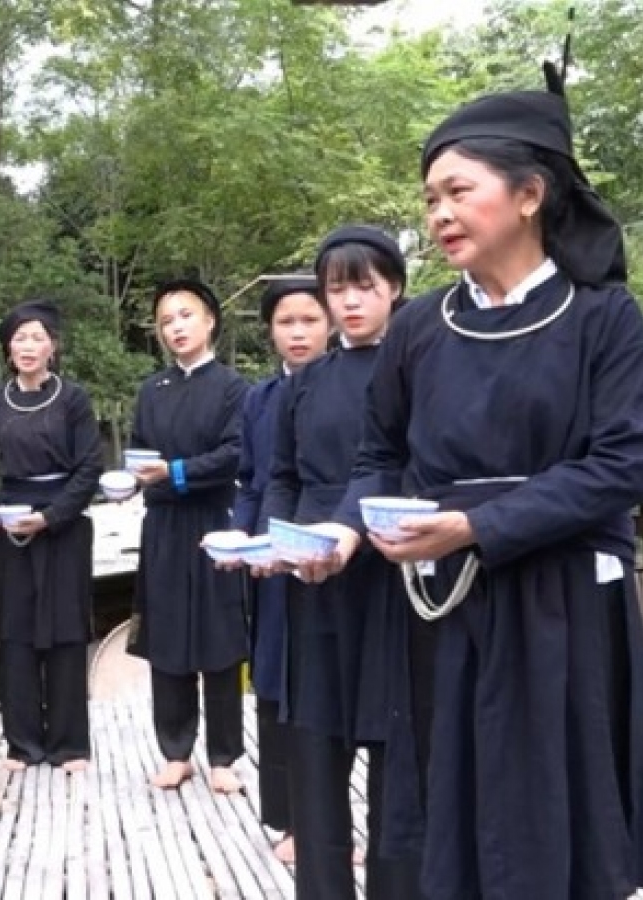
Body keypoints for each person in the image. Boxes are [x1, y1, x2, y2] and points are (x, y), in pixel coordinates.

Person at [304, 71, 643, 899]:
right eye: (430, 196)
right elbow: (380, 458)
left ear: (530, 194)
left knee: (558, 817)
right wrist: (344, 530)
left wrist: (475, 527)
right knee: (455, 817)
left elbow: (623, 467)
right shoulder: (420, 329)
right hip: (446, 607)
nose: (437, 214)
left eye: (457, 191)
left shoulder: (602, 318)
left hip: (563, 604)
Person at [254, 227, 420, 900]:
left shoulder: (419, 365)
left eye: (364, 286)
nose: (349, 302)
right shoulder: (306, 381)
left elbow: (414, 464)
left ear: (395, 289)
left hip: (393, 569)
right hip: (312, 579)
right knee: (315, 744)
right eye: (337, 289)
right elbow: (283, 475)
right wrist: (276, 541)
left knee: (394, 746)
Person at [0, 301, 103, 772]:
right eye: (19, 338)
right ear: (8, 348)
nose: (28, 346)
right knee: (17, 630)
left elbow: (90, 467)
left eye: (37, 337)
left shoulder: (73, 400)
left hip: (62, 523)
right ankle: (22, 744)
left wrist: (51, 517)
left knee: (65, 628)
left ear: (53, 345)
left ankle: (70, 744)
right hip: (11, 523)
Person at [126, 278, 249, 793]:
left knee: (219, 637)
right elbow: (138, 452)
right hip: (163, 526)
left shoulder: (234, 387)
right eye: (166, 322)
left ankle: (224, 756)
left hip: (214, 520)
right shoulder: (152, 391)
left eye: (184, 316)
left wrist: (175, 473)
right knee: (168, 636)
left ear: (209, 320)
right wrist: (132, 477)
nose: (175, 328)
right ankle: (176, 751)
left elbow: (234, 454)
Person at [224, 274, 328, 864]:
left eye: (309, 320)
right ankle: (289, 822)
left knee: (334, 689)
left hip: (334, 552)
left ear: (331, 323)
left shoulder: (359, 386)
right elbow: (250, 483)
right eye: (285, 322)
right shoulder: (259, 400)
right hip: (270, 563)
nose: (297, 332)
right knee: (276, 683)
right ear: (270, 332)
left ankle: (341, 821)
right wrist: (242, 536)